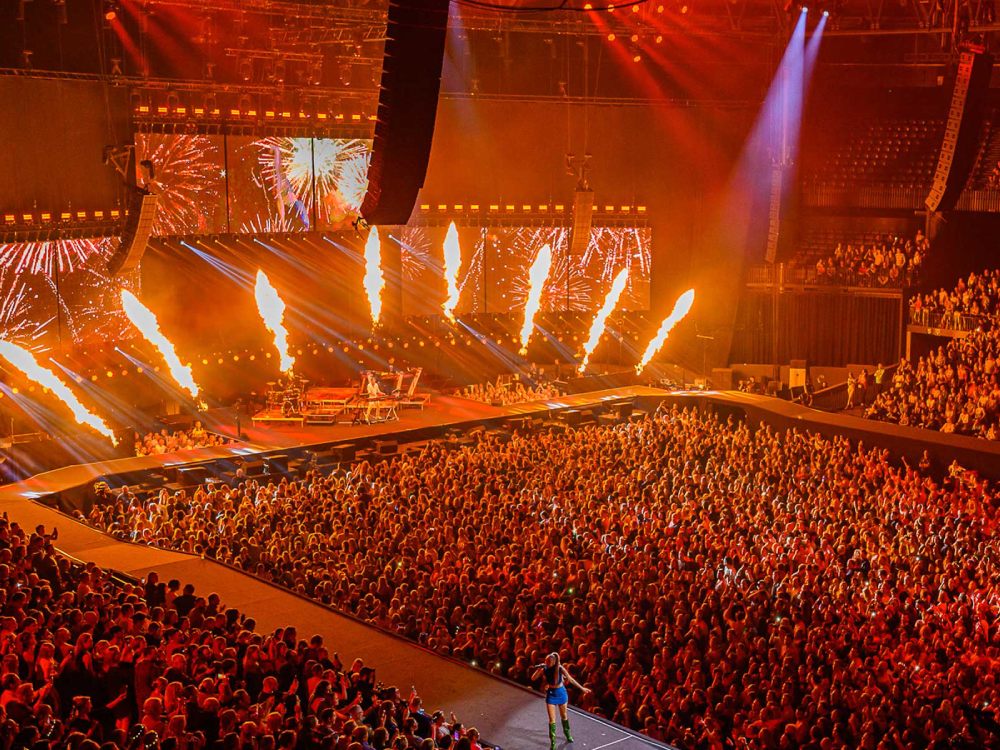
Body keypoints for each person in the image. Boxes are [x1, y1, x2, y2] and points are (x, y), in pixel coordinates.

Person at [532, 652, 590, 749]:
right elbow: (533, 678)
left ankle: (567, 734)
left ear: (553, 662)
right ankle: (553, 742)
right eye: (545, 660)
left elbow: (571, 679)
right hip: (551, 694)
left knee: (564, 716)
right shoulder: (544, 668)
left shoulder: (560, 668)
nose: (546, 662)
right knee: (552, 720)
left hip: (561, 693)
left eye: (548, 661)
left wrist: (582, 689)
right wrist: (539, 669)